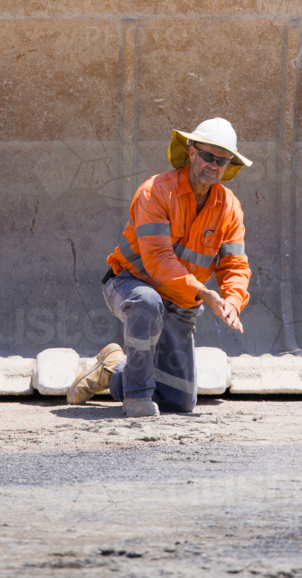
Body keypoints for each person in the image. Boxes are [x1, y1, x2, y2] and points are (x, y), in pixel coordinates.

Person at [67, 118, 252, 417]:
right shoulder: (155, 192)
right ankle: (137, 397)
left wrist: (231, 301)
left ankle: (114, 369)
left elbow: (235, 265)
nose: (214, 165)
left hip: (180, 301)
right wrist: (204, 293)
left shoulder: (229, 207)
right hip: (130, 282)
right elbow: (157, 261)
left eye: (222, 160)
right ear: (191, 152)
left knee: (178, 401)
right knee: (147, 301)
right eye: (208, 156)